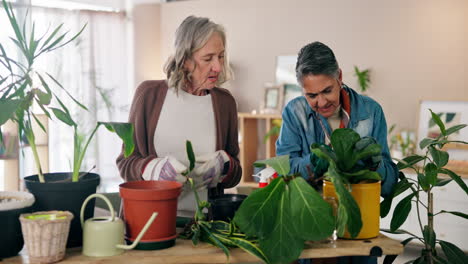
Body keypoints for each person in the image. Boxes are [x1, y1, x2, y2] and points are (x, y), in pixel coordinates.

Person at [276, 42, 397, 264]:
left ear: (339, 77)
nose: (321, 102)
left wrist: (374, 164)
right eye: (311, 95)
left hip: (358, 234)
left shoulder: (371, 112)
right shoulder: (294, 113)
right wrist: (314, 162)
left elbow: (389, 186)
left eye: (327, 91)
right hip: (312, 232)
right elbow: (285, 173)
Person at [116, 16, 242, 217]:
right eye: (208, 58)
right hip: (149, 221)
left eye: (221, 56)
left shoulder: (225, 103)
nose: (217, 67)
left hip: (204, 227)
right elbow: (126, 163)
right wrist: (152, 169)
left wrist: (225, 167)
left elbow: (236, 173)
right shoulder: (148, 95)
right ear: (184, 61)